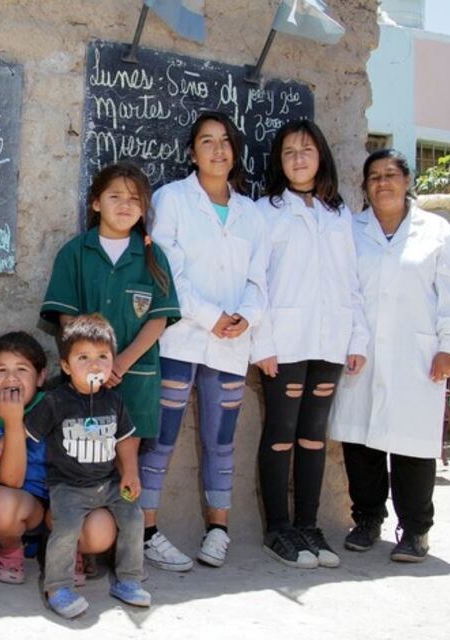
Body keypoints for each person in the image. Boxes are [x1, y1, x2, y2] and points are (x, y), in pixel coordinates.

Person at [330, 149, 450, 563]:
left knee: (413, 446)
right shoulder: (353, 230)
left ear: (407, 181)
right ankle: (368, 519)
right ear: (365, 186)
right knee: (361, 442)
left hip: (418, 353)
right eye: (374, 176)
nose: (383, 183)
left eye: (391, 174)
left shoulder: (437, 232)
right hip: (363, 352)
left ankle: (415, 531)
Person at [39, 162, 180, 573]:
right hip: (85, 386)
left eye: (135, 198)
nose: (125, 204)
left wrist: (122, 361)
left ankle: (129, 554)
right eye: (115, 196)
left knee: (128, 465)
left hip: (134, 380)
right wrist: (88, 363)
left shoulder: (152, 256)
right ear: (96, 202)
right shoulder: (75, 252)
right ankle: (79, 548)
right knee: (83, 460)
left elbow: (158, 318)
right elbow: (66, 317)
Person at [142, 111, 268, 570]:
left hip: (231, 344)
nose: (217, 150)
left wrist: (246, 318)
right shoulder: (171, 200)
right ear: (192, 152)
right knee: (161, 438)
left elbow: (260, 279)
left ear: (235, 152)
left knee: (221, 440)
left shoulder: (251, 214)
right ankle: (146, 531)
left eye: (225, 142)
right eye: (206, 141)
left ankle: (218, 530)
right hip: (181, 338)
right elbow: (166, 271)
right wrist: (211, 316)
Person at [252, 120, 369, 569]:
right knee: (281, 434)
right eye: (288, 152)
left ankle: (308, 524)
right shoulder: (267, 212)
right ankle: (278, 529)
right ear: (279, 163)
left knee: (314, 437)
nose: (298, 158)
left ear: (321, 156)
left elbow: (350, 281)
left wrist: (356, 335)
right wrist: (261, 341)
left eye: (307, 150)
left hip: (331, 339)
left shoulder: (338, 214)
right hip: (285, 340)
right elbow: (257, 280)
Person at [0, 332, 118, 585]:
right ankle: (12, 548)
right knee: (0, 506)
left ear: (41, 377)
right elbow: (12, 481)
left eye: (22, 369)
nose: (11, 378)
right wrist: (13, 423)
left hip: (69, 499)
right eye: (1, 370)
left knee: (100, 530)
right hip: (24, 503)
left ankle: (71, 549)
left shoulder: (59, 405)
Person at [25, 315, 150, 618]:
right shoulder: (55, 401)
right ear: (66, 366)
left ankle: (129, 579)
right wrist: (3, 444)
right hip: (67, 487)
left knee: (135, 517)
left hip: (107, 484)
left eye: (103, 357)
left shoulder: (114, 401)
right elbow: (26, 432)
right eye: (83, 358)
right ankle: (58, 586)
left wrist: (130, 473)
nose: (95, 365)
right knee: (66, 529)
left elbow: (124, 441)